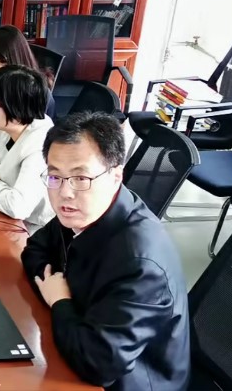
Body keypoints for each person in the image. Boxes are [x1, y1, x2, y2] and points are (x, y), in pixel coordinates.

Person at [21, 112, 190, 390]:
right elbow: (35, 249)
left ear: (115, 176)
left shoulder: (141, 263)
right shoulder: (82, 210)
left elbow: (98, 365)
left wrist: (60, 301)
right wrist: (57, 290)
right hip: (81, 341)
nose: (65, 192)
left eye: (81, 177)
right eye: (55, 176)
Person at [0, 66, 54, 233]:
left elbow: (18, 207)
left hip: (29, 230)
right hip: (2, 215)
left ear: (16, 109)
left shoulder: (39, 149)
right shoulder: (13, 126)